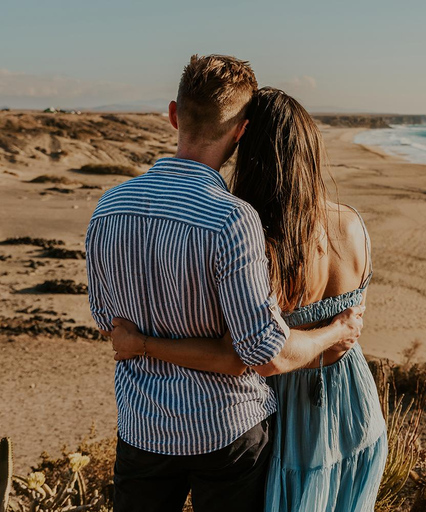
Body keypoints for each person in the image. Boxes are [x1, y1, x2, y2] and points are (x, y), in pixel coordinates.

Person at [86, 56, 364, 512]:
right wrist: (337, 331)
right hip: (227, 435)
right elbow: (262, 354)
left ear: (175, 115)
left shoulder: (109, 206)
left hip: (142, 429)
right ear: (240, 132)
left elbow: (108, 324)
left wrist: (144, 343)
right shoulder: (233, 221)